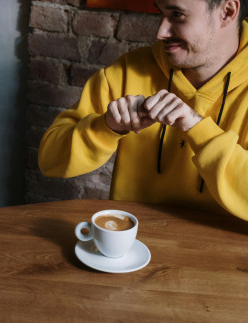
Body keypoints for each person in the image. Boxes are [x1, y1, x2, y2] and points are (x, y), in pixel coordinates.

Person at [39, 0, 248, 221]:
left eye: (177, 15)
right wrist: (106, 127)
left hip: (223, 251)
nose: (161, 32)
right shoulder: (127, 71)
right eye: (161, 13)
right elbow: (50, 160)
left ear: (227, 12)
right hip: (133, 246)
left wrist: (197, 129)